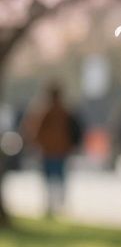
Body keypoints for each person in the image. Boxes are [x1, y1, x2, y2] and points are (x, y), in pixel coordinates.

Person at [23, 82, 81, 218]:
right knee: (58, 177)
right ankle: (57, 203)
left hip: (51, 149)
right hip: (58, 149)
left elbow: (35, 130)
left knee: (51, 178)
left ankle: (53, 203)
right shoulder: (63, 111)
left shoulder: (46, 111)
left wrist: (35, 143)